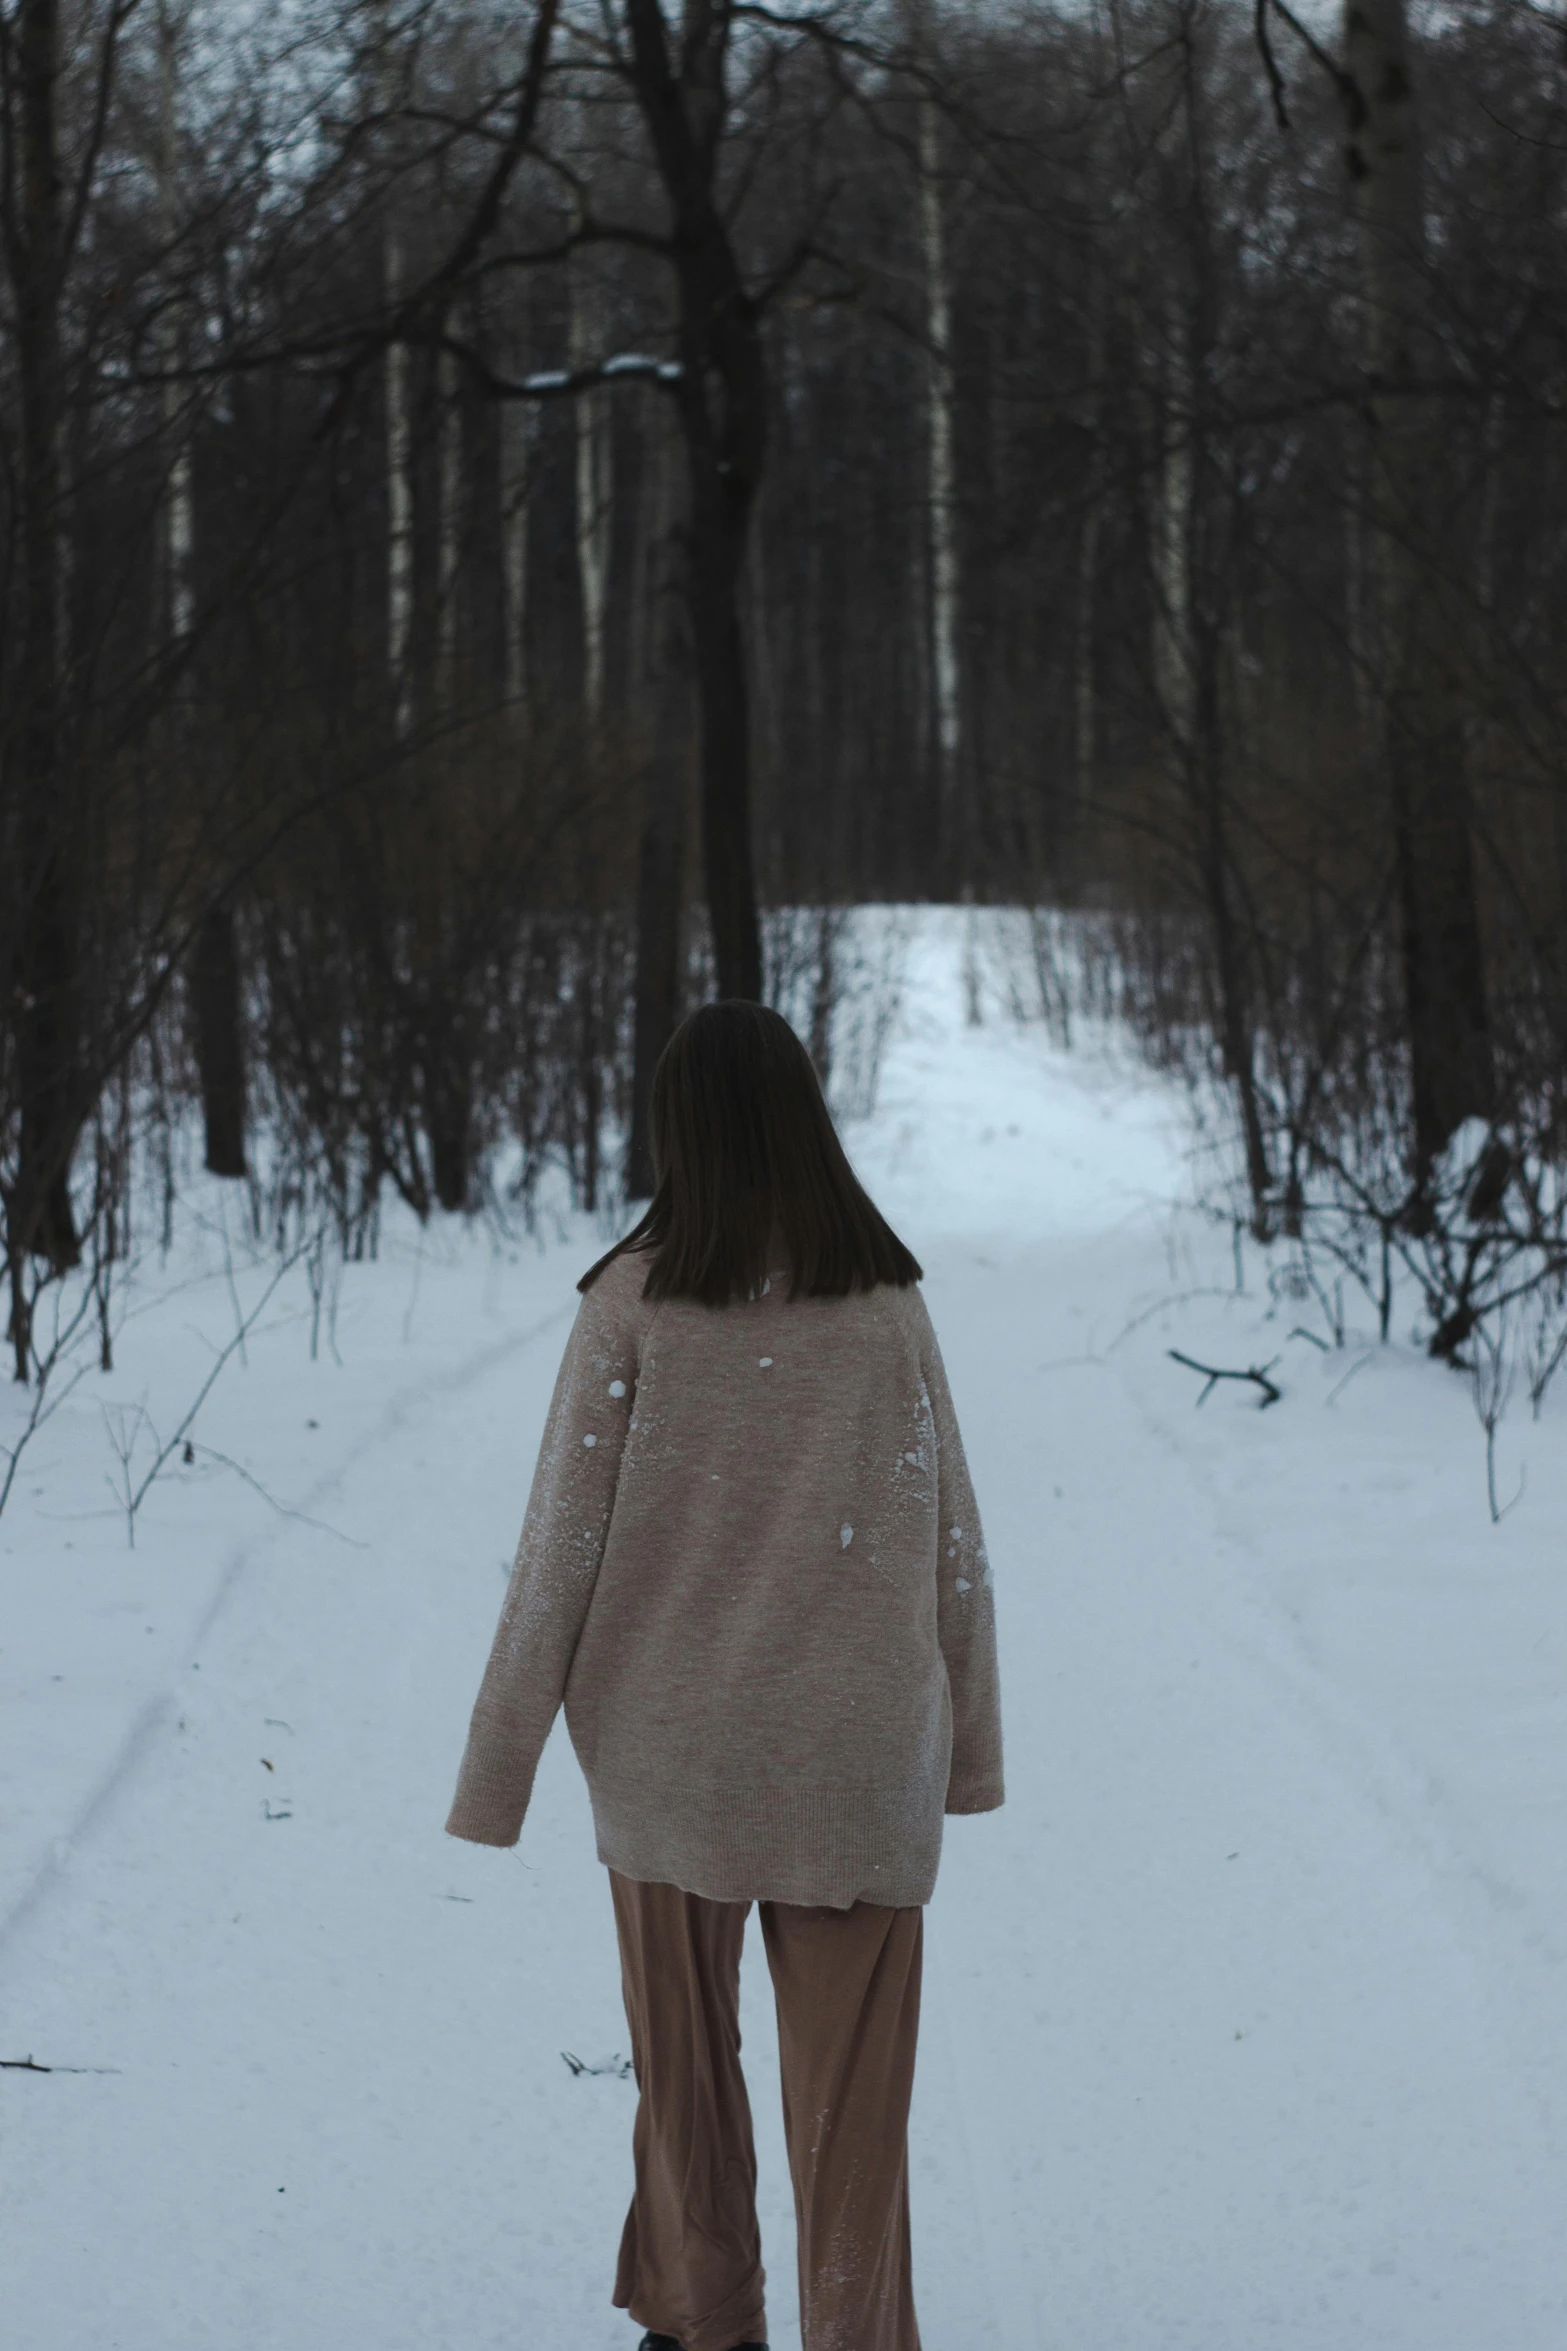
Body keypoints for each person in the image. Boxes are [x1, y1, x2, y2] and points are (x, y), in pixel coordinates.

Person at [446, 999, 1003, 2351]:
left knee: (684, 2077)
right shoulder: (883, 1303)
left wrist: (496, 1773)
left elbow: (557, 1552)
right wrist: (968, 1753)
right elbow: (952, 1539)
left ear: (678, 1130)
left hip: (668, 1752)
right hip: (855, 1756)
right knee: (853, 2113)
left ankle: (703, 2320)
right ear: (807, 1121)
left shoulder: (633, 1299)